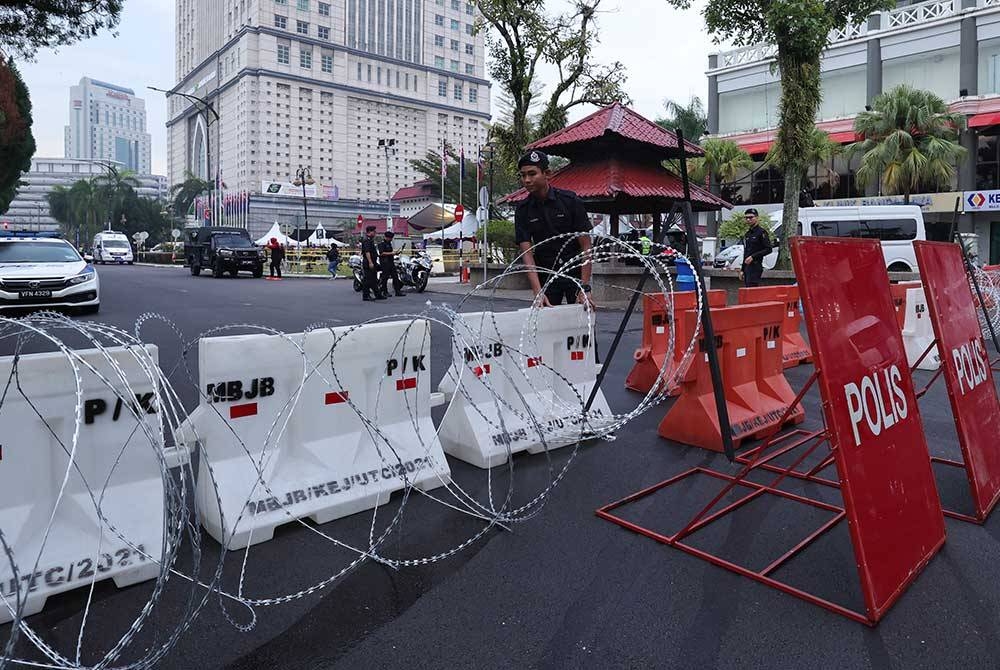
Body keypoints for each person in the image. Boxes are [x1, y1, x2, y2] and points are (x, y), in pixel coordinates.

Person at [513, 150, 595, 308]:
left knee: (582, 318)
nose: (527, 180)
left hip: (574, 271)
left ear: (547, 174)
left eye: (532, 174)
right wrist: (537, 291)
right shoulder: (523, 209)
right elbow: (527, 253)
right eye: (523, 175)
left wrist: (585, 288)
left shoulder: (570, 201)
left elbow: (586, 246)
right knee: (545, 319)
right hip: (546, 274)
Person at [741, 208, 771, 288]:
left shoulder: (761, 232)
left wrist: (753, 257)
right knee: (747, 289)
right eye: (746, 218)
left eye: (751, 217)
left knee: (752, 289)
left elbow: (768, 249)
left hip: (756, 266)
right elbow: (746, 252)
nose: (748, 220)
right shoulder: (747, 234)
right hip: (747, 267)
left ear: (757, 218)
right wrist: (742, 269)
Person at [360, 225, 384, 301]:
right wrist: (370, 262)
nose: (375, 233)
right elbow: (367, 252)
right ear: (370, 232)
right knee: (368, 280)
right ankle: (366, 296)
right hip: (368, 262)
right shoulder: (367, 240)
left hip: (373, 261)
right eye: (374, 231)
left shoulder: (370, 240)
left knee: (373, 279)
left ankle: (378, 294)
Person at [378, 231, 405, 297]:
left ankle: (397, 291)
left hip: (391, 262)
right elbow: (382, 253)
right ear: (386, 237)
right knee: (385, 278)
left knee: (395, 277)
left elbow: (390, 252)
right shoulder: (381, 244)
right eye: (390, 238)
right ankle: (385, 292)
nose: (391, 239)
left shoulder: (389, 244)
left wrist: (396, 253)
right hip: (384, 263)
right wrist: (392, 253)